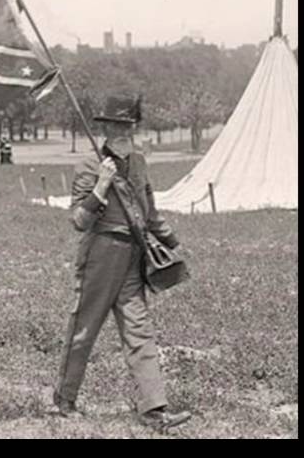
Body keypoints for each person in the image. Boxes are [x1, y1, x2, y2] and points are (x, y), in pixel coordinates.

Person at [53, 94, 192, 432]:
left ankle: (154, 409)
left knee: (139, 329)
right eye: (115, 125)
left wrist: (173, 243)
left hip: (133, 257)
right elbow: (79, 220)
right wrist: (101, 184)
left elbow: (150, 212)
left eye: (127, 125)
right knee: (85, 328)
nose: (122, 131)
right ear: (104, 128)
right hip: (100, 253)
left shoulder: (140, 162)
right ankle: (64, 398)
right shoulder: (90, 164)